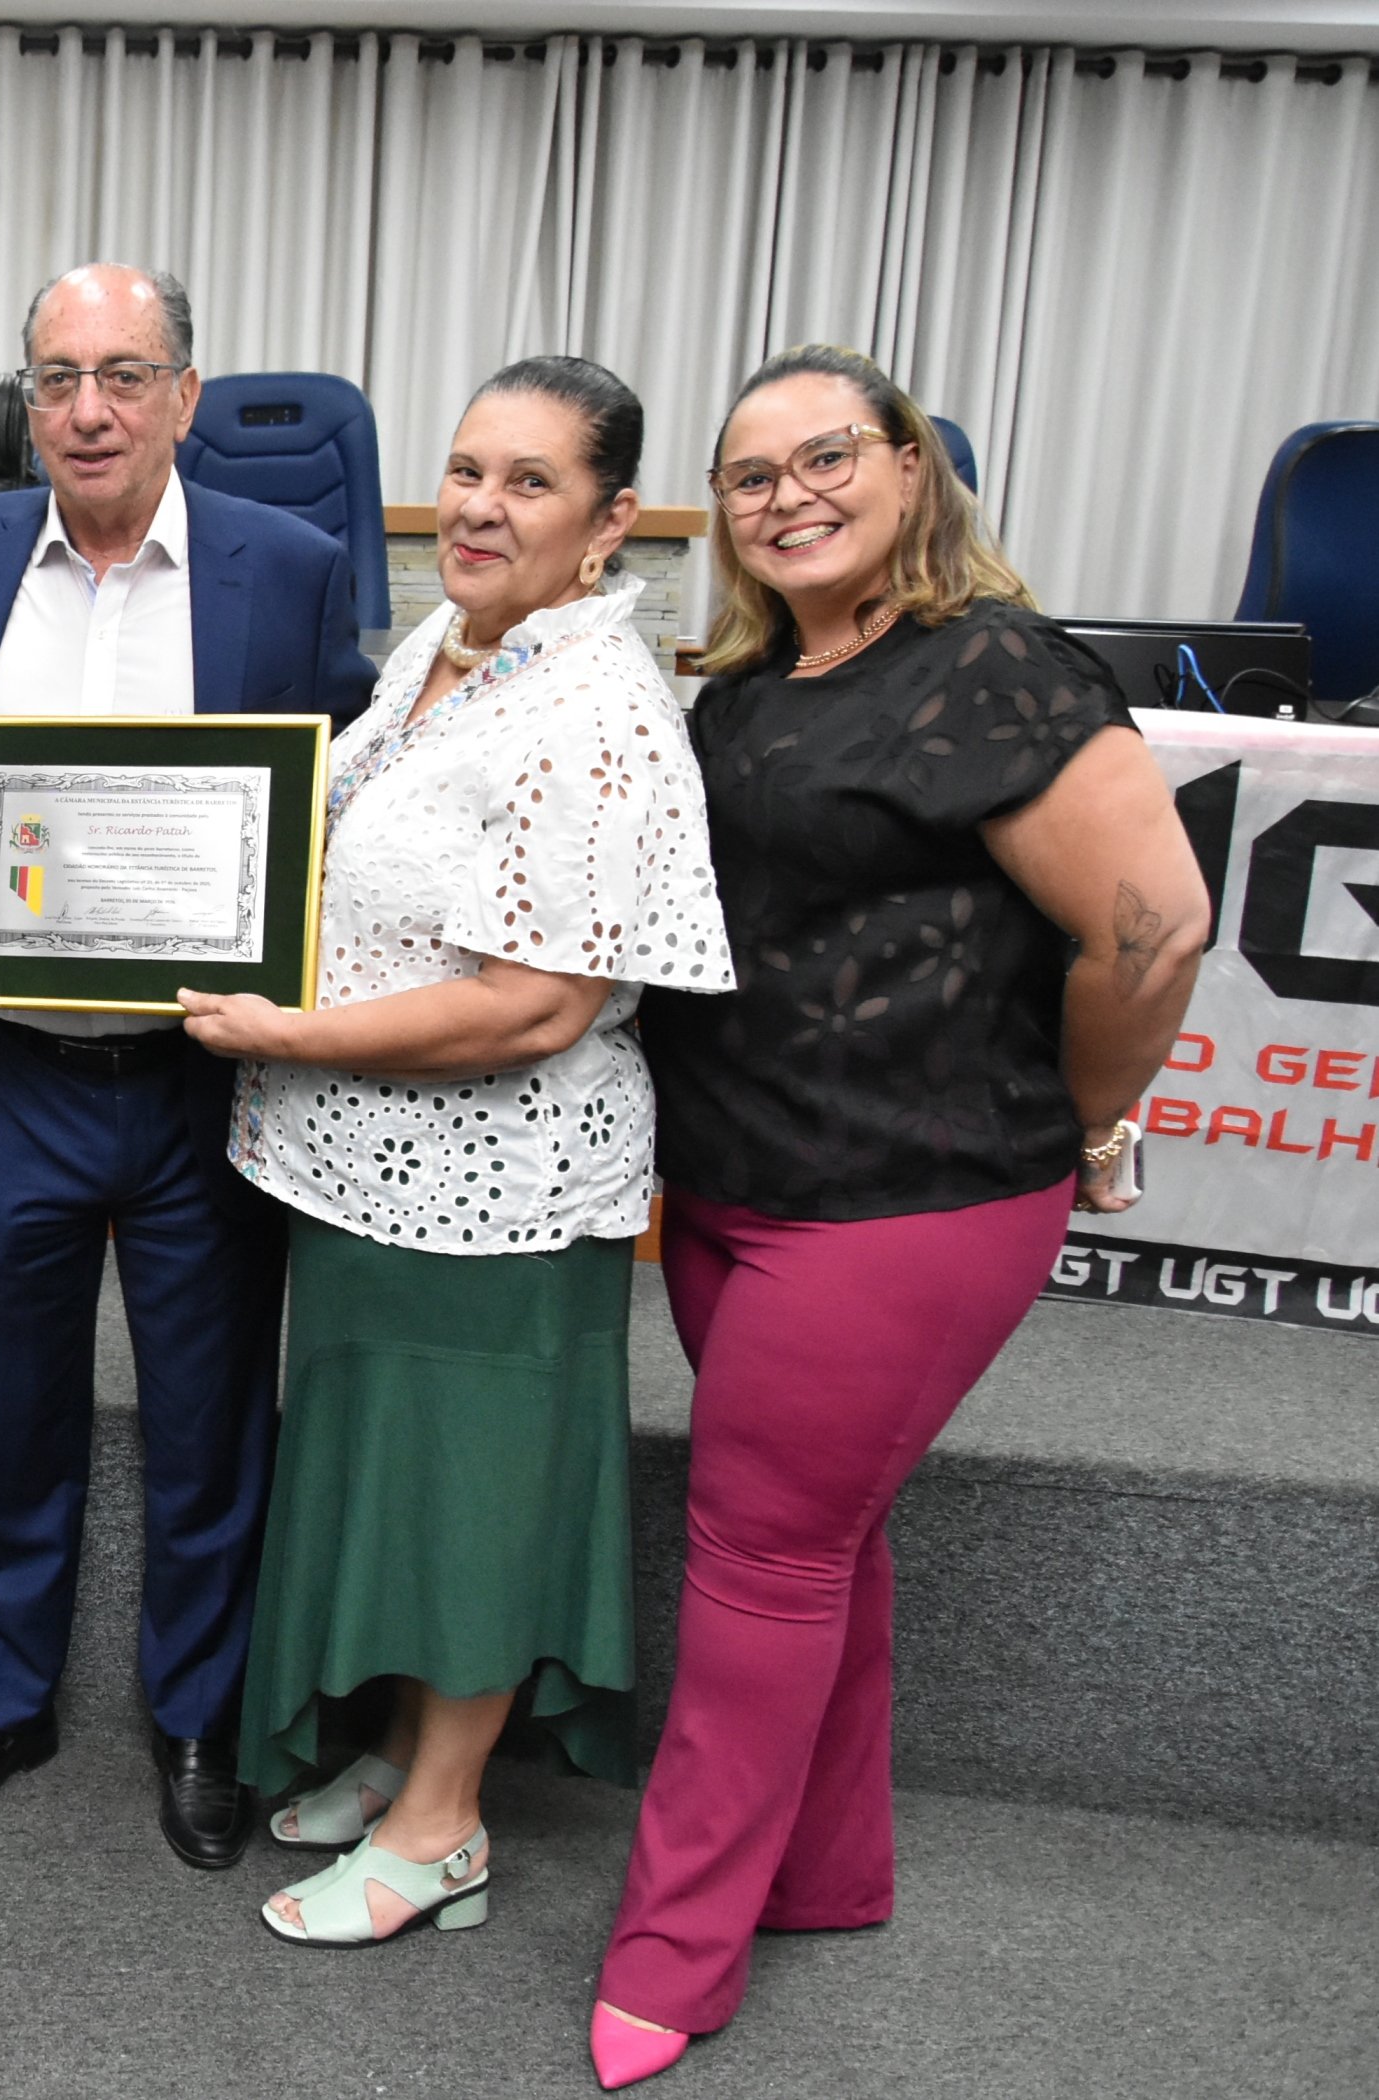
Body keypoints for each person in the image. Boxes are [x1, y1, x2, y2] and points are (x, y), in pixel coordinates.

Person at [586, 345, 1208, 2088]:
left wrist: (1092, 1117)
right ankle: (825, 1872)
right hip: (733, 1185)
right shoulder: (748, 689)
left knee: (763, 1559)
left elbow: (1156, 929)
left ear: (912, 467)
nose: (790, 496)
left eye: (828, 456)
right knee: (821, 1544)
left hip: (908, 1203)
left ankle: (674, 1952)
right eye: (753, 475)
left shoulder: (996, 668)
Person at [0, 263, 378, 1869]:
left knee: (209, 1423)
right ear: (28, 402)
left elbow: (361, 774)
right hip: (11, 1080)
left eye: (125, 374)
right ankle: (3, 1706)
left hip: (208, 1082)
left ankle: (198, 1719)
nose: (89, 410)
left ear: (185, 396)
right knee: (14, 1412)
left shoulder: (289, 567)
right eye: (57, 377)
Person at [181, 356, 730, 1947]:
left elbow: (535, 1006)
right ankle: (413, 1754)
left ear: (612, 521)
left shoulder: (596, 710)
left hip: (500, 1191)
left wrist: (286, 1033)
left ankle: (443, 1830)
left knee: (478, 1503)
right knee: (406, 1484)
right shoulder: (450, 645)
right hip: (370, 1176)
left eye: (532, 482)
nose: (481, 508)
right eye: (469, 470)